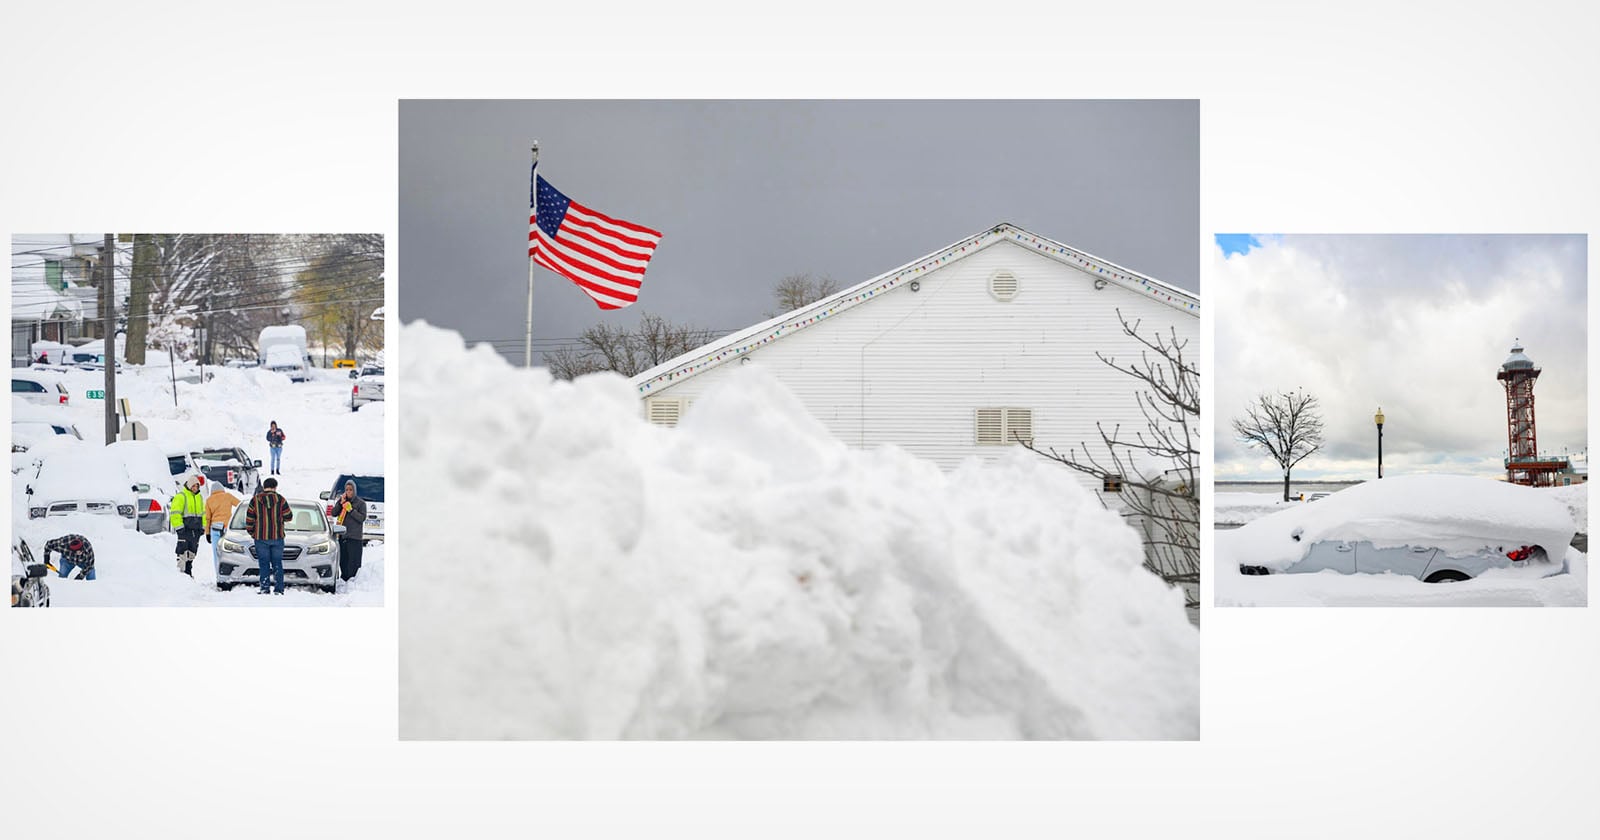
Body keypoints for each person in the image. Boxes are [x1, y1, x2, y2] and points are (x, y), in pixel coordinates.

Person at [245, 476, 293, 595]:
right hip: (277, 537)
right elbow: (289, 516)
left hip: (261, 538)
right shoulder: (281, 500)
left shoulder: (255, 500)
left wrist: (253, 533)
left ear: (264, 487)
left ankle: (265, 588)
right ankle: (278, 589)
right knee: (277, 563)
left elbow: (249, 519)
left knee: (263, 563)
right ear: (275, 487)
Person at [169, 474, 206, 577]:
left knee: (192, 552)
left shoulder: (199, 497)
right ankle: (181, 575)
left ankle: (188, 572)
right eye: (193, 486)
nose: (195, 488)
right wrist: (179, 527)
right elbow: (175, 513)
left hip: (196, 531)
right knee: (182, 552)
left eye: (197, 486)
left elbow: (203, 513)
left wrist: (203, 527)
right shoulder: (181, 496)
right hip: (185, 530)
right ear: (189, 486)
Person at [203, 484, 242, 579]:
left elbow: (207, 519)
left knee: (217, 554)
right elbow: (240, 505)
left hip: (215, 529)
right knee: (229, 552)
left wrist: (207, 533)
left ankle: (219, 577)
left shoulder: (209, 500)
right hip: (226, 529)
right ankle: (231, 574)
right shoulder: (227, 496)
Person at [333, 480, 367, 582]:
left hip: (354, 537)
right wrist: (340, 503)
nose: (348, 492)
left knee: (353, 562)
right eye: (347, 490)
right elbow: (334, 513)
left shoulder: (361, 503)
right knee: (343, 561)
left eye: (350, 490)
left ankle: (353, 582)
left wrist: (351, 510)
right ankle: (344, 580)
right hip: (343, 536)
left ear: (354, 491)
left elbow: (362, 518)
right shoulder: (342, 502)